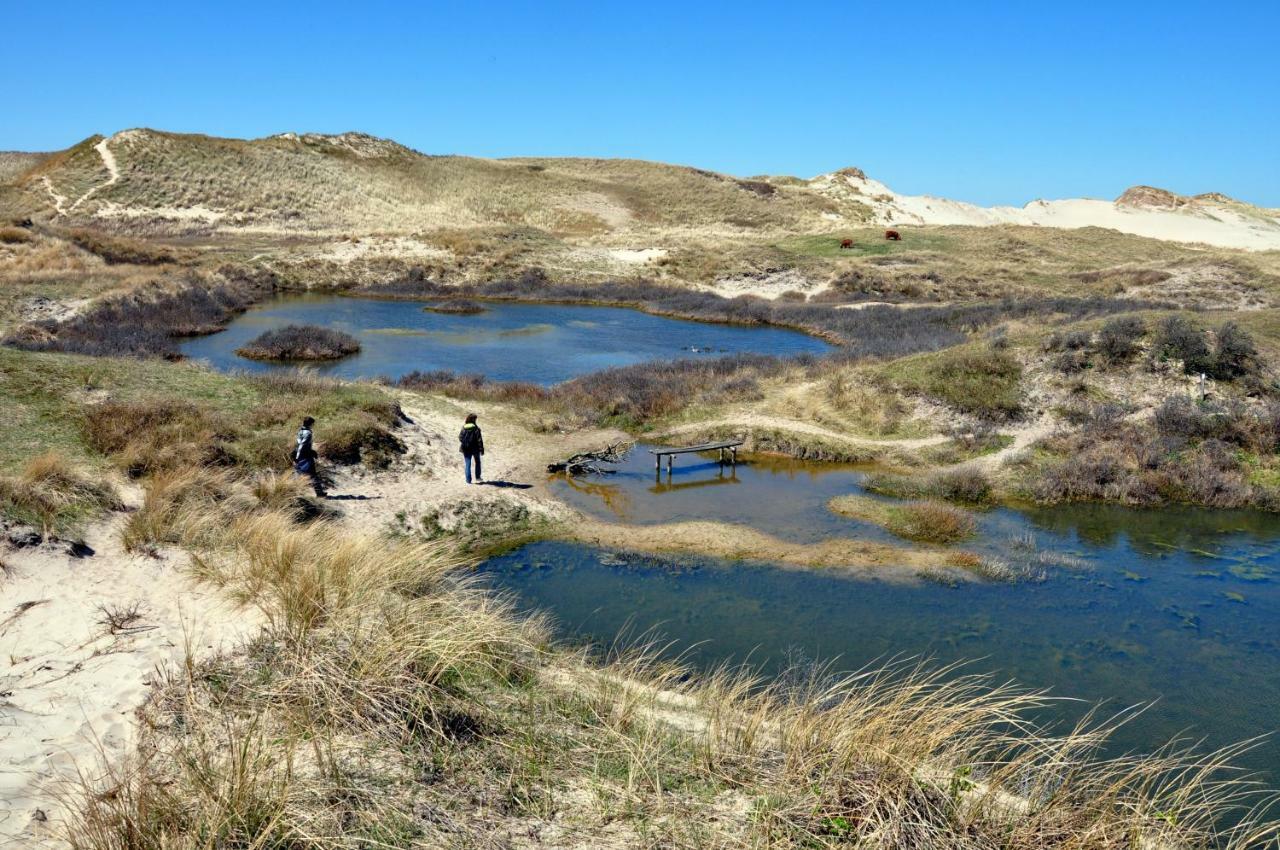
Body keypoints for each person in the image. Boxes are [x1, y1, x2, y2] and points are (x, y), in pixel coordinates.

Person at [292, 416, 325, 496]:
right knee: (312, 474)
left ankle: (293, 492)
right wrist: (298, 457)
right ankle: (319, 493)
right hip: (305, 456)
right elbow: (302, 445)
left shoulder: (300, 431)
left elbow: (299, 444)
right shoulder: (308, 433)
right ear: (311, 424)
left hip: (299, 454)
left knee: (297, 473)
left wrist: (296, 456)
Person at [459, 413, 484, 484]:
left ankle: (468, 480)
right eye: (475, 419)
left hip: (466, 448)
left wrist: (466, 443)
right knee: (478, 462)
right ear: (473, 419)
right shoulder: (476, 428)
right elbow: (479, 440)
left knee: (468, 464)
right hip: (475, 449)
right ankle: (478, 477)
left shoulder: (464, 427)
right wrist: (481, 450)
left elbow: (460, 437)